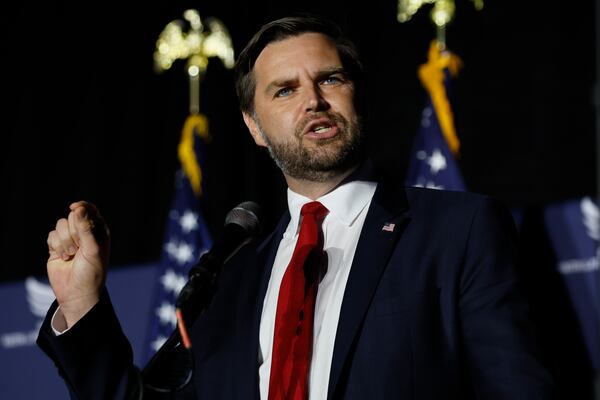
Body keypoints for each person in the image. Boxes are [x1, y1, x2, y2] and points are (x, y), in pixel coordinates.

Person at [37, 14, 555, 400]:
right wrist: (82, 304)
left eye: (330, 79)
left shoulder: (457, 232)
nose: (313, 100)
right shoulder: (232, 277)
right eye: (285, 90)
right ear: (254, 127)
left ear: (357, 95)